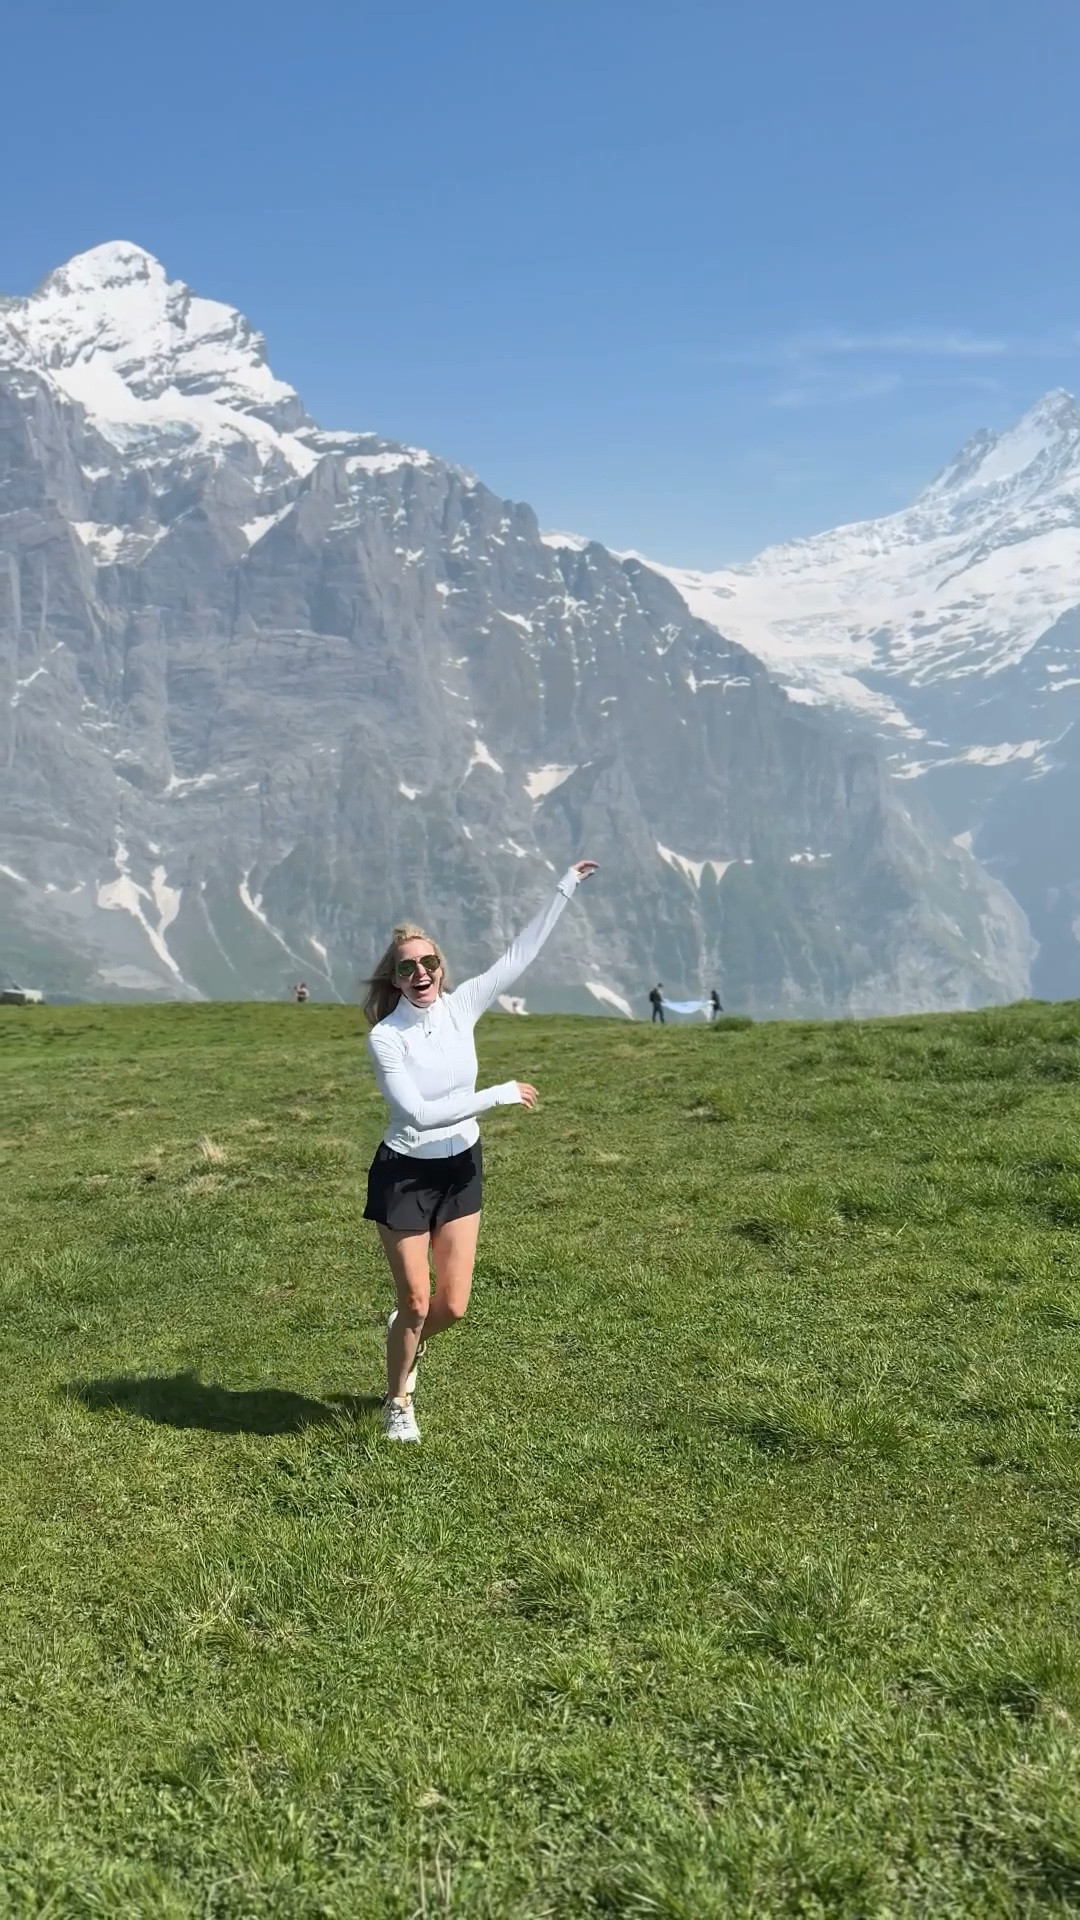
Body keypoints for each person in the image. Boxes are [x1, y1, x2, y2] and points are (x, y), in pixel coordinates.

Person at [362, 858, 598, 1442]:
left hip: (461, 1169)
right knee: (418, 1299)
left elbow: (519, 956)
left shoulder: (463, 1004)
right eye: (408, 967)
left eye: (430, 962)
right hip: (406, 1174)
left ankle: (404, 1330)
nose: (421, 972)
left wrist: (563, 888)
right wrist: (495, 1093)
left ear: (442, 969)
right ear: (394, 979)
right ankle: (399, 1402)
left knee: (454, 1307)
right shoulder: (385, 1037)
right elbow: (415, 1113)